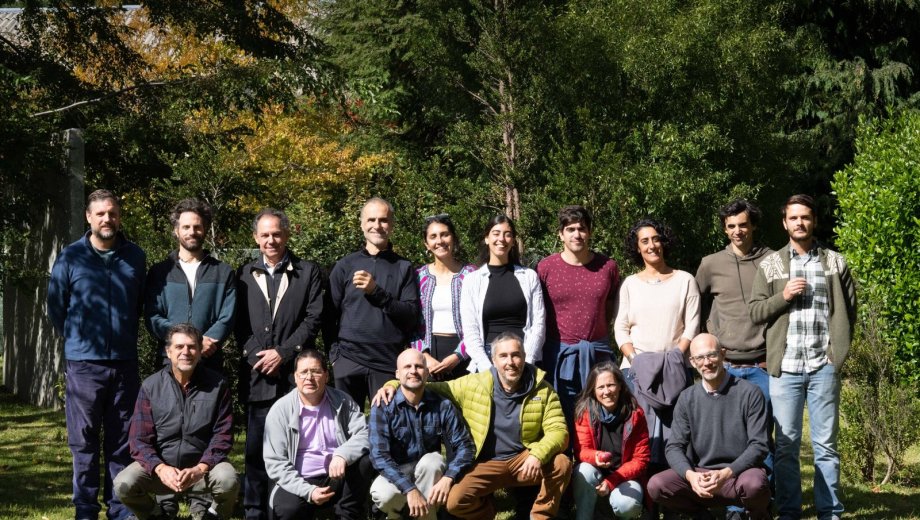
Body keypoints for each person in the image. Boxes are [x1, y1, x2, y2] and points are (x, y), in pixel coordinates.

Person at [374, 332, 571, 520]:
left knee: (561, 463)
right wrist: (392, 384)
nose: (510, 362)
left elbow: (559, 431)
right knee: (454, 502)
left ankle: (540, 515)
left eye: (515, 355)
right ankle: (487, 514)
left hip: (524, 459)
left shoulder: (543, 389)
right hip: (487, 462)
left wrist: (538, 454)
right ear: (493, 360)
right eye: (503, 356)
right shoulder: (475, 384)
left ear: (524, 357)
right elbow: (423, 385)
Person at [749, 194, 856, 520]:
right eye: (794, 218)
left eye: (805, 217)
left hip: (822, 366)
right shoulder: (771, 265)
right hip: (786, 368)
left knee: (825, 447)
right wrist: (782, 296)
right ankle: (791, 511)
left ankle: (830, 513)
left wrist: (836, 355)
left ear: (814, 221)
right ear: (785, 223)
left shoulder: (835, 262)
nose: (800, 223)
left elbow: (850, 312)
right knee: (786, 447)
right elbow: (755, 312)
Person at [47, 189, 146, 520]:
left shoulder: (135, 257)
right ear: (89, 218)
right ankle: (85, 511)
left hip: (124, 364)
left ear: (119, 216)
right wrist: (78, 339)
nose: (108, 219)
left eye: (113, 213)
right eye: (101, 213)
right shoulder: (71, 257)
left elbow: (140, 304)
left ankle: (120, 509)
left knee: (121, 443)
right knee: (84, 444)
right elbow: (56, 307)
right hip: (84, 366)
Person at [236, 208, 325, 520]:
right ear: (256, 238)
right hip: (258, 375)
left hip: (294, 378)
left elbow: (314, 318)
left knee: (295, 448)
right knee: (256, 450)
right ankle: (253, 511)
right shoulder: (244, 274)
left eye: (276, 234)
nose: (271, 240)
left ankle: (287, 508)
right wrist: (257, 356)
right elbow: (239, 325)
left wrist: (284, 353)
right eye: (265, 235)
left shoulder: (308, 272)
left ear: (287, 235)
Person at [695, 199, 774, 519]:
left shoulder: (772, 261)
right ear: (724, 229)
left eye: (743, 224)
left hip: (763, 366)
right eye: (731, 226)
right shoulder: (710, 263)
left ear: (753, 225)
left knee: (763, 436)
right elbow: (694, 308)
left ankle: (763, 499)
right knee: (729, 437)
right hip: (723, 367)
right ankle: (733, 504)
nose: (737, 231)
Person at [114, 324, 238, 520]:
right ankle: (156, 515)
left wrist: (201, 468)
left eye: (191, 347)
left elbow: (223, 435)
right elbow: (139, 440)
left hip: (202, 470)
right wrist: (160, 468)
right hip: (161, 471)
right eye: (179, 347)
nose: (185, 352)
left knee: (228, 479)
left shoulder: (217, 385)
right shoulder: (151, 386)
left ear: (199, 351)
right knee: (124, 483)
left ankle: (212, 516)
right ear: (168, 351)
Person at [647, 333, 770, 520]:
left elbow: (759, 445)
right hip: (700, 476)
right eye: (700, 358)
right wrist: (690, 476)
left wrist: (727, 473)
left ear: (723, 354)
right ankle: (702, 516)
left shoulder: (750, 393)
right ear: (693, 362)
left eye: (711, 355)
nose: (707, 362)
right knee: (657, 485)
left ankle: (757, 516)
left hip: (738, 474)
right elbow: (674, 447)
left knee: (755, 484)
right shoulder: (687, 398)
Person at [613, 218, 699, 468]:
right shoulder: (630, 284)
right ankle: (643, 498)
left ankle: (674, 492)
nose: (652, 245)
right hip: (637, 372)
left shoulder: (685, 280)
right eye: (645, 241)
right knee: (641, 436)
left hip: (674, 369)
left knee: (677, 434)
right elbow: (620, 327)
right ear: (637, 247)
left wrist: (674, 358)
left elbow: (692, 325)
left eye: (656, 239)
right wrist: (634, 360)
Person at [325, 197, 420, 409]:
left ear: (392, 225)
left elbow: (411, 316)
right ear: (361, 224)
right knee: (346, 433)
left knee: (387, 432)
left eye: (383, 220)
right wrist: (335, 358)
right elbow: (329, 316)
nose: (377, 226)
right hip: (348, 361)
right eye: (371, 220)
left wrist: (375, 291)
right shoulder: (345, 265)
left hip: (387, 364)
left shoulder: (403, 267)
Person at [262, 349, 375, 520]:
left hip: (338, 476)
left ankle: (346, 515)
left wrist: (342, 454)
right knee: (287, 509)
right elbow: (275, 462)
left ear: (326, 376)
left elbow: (364, 433)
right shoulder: (280, 410)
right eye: (303, 372)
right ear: (295, 377)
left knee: (364, 462)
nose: (309, 377)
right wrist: (308, 491)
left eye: (315, 371)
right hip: (299, 478)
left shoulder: (343, 401)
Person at [538, 205, 620, 432]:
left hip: (598, 355)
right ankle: (565, 464)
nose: (577, 234)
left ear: (590, 232)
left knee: (601, 415)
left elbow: (611, 306)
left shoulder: (608, 267)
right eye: (571, 229)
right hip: (559, 356)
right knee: (561, 419)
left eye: (582, 229)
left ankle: (599, 463)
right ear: (560, 234)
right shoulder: (546, 268)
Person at [368, 349, 475, 519]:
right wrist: (410, 489)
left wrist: (449, 477)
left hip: (429, 473)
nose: (413, 371)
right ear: (397, 374)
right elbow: (378, 456)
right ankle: (405, 513)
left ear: (426, 372)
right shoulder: (383, 407)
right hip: (396, 473)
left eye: (418, 366)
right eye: (407, 367)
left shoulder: (442, 405)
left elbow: (465, 446)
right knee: (382, 494)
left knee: (433, 461)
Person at [145, 198, 236, 372]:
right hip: (169, 362)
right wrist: (182, 341)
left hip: (209, 361)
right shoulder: (160, 272)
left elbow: (228, 316)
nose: (192, 232)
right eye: (186, 227)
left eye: (197, 227)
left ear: (205, 230)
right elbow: (152, 315)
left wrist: (204, 342)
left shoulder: (223, 272)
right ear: (176, 231)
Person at [460, 215, 546, 373]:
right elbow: (470, 330)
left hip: (523, 355)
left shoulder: (529, 276)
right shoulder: (471, 281)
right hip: (488, 358)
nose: (502, 239)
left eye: (507, 234)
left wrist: (526, 362)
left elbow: (538, 324)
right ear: (486, 238)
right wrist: (487, 369)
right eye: (496, 233)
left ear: (513, 241)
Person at [572, 362, 649, 520]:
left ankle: (612, 512)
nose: (606, 391)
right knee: (583, 471)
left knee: (627, 505)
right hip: (596, 473)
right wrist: (596, 457)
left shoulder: (636, 414)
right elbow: (581, 450)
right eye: (600, 387)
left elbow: (641, 459)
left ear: (620, 386)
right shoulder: (584, 412)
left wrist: (612, 481)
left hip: (625, 476)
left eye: (611, 385)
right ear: (593, 390)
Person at [411, 214, 477, 380]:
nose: (439, 241)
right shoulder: (418, 277)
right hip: (428, 356)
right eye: (433, 236)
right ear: (426, 243)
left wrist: (458, 356)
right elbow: (410, 322)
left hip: (465, 355)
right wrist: (425, 356)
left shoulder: (471, 274)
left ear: (453, 238)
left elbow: (480, 320)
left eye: (444, 234)